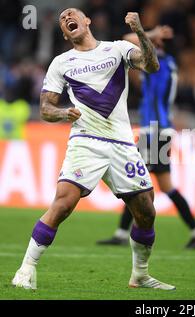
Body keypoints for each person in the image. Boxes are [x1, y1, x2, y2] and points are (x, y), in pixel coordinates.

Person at [12, 8, 175, 291]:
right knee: (63, 203)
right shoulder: (62, 63)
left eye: (71, 14)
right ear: (65, 33)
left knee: (147, 212)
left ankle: (140, 275)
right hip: (86, 141)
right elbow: (45, 109)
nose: (66, 18)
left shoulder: (118, 50)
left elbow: (152, 66)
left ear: (86, 21)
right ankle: (25, 269)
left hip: (122, 143)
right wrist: (63, 113)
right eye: (63, 20)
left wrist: (139, 32)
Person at [96, 26, 195, 249]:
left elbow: (125, 38)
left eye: (152, 42)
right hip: (159, 130)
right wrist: (153, 35)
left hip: (154, 131)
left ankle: (122, 234)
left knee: (136, 181)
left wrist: (151, 32)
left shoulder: (159, 63)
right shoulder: (169, 63)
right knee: (163, 186)